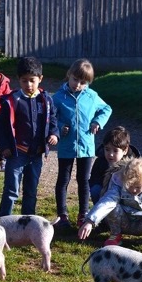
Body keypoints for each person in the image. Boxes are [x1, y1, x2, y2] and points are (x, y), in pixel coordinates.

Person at [0, 57, 59, 217]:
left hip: (36, 154)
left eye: (32, 80)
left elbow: (52, 119)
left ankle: (28, 221)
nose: (28, 85)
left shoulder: (46, 100)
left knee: (31, 190)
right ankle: (3, 221)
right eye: (24, 81)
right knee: (11, 190)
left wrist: (54, 133)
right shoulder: (11, 101)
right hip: (17, 153)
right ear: (19, 79)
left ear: (40, 79)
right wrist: (4, 147)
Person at [52, 58, 112, 228]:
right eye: (75, 79)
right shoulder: (58, 97)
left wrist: (97, 122)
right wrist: (60, 127)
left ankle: (83, 214)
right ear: (69, 75)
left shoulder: (92, 96)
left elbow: (106, 109)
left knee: (84, 180)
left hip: (86, 146)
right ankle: (62, 215)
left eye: (83, 82)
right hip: (66, 146)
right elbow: (51, 117)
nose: (78, 85)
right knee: (63, 180)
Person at [78, 158, 142, 252]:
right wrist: (90, 221)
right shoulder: (118, 185)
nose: (133, 190)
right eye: (130, 186)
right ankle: (115, 235)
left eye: (138, 187)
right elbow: (107, 201)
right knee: (112, 207)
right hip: (123, 221)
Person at [89, 126, 140, 204]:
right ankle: (99, 208)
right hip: (104, 193)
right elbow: (94, 180)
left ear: (125, 150)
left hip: (124, 195)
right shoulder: (100, 161)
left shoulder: (132, 165)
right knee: (95, 189)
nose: (111, 154)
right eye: (107, 149)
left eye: (115, 151)